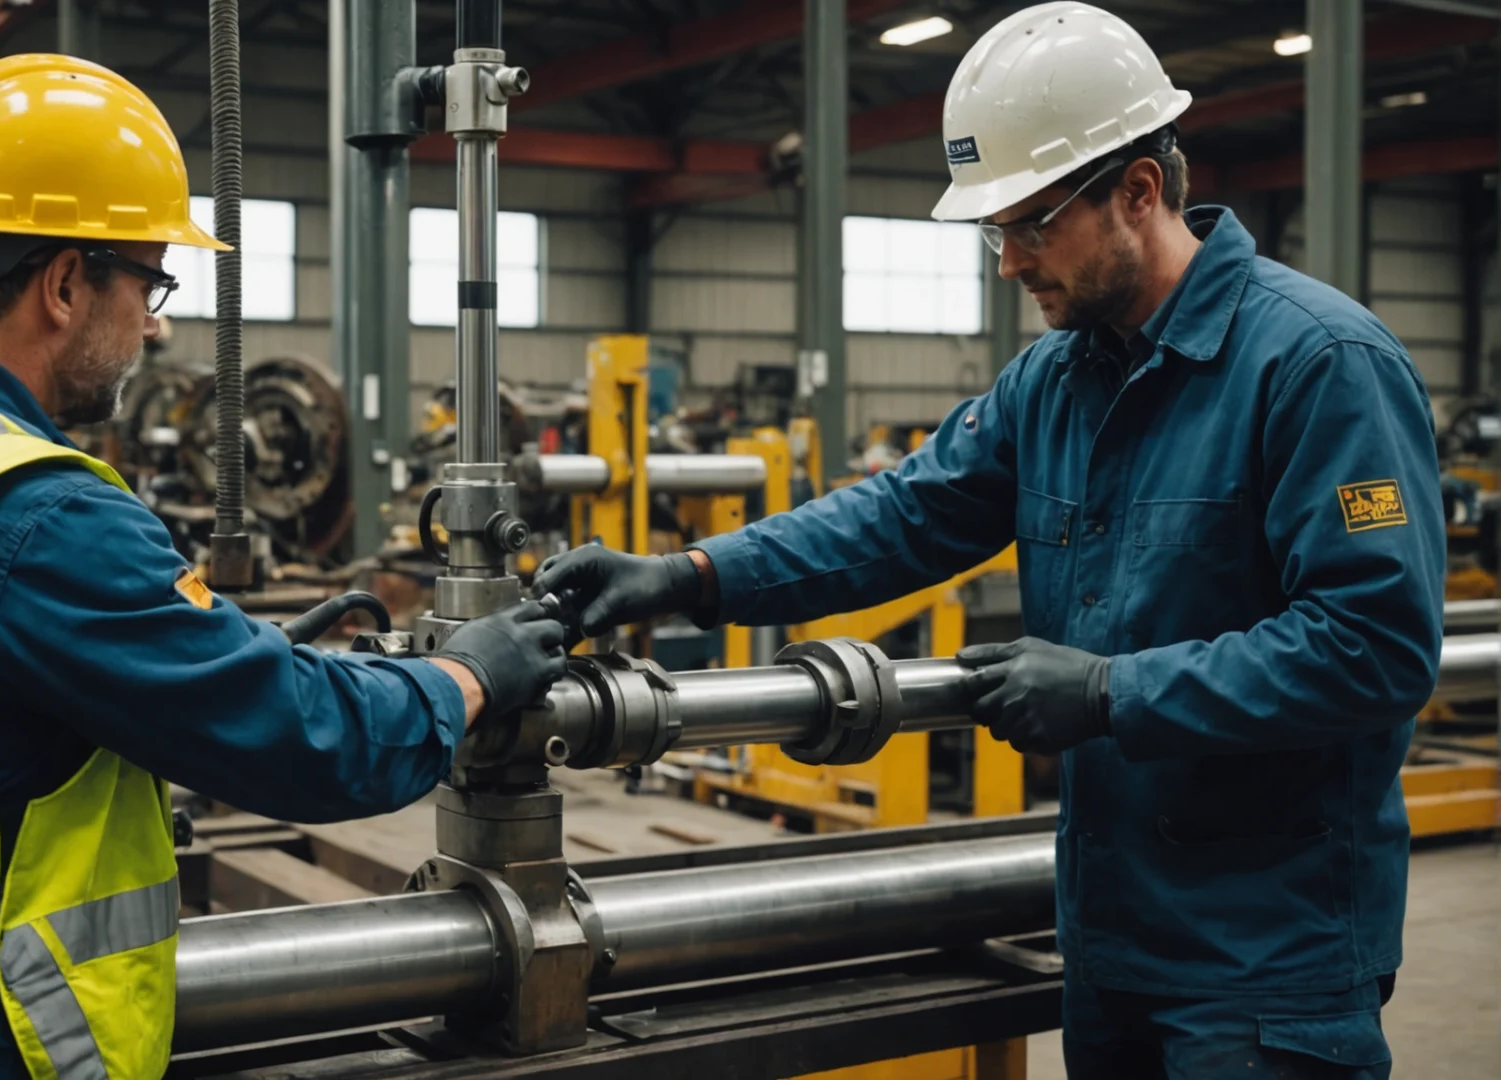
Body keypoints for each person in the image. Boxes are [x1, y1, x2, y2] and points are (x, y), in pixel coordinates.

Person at [537, 4, 1443, 1078]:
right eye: (990, 232)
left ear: (1136, 192)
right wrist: (688, 575)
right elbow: (903, 515)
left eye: (1030, 226)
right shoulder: (1055, 379)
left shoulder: (1316, 366)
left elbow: (1373, 646)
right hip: (1107, 939)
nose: (1008, 262)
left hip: (1267, 959)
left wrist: (1109, 693)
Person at [0, 55, 565, 1080]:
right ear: (64, 284)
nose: (158, 323)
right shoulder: (34, 514)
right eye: (150, 282)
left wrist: (207, 657)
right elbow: (308, 746)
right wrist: (467, 676)